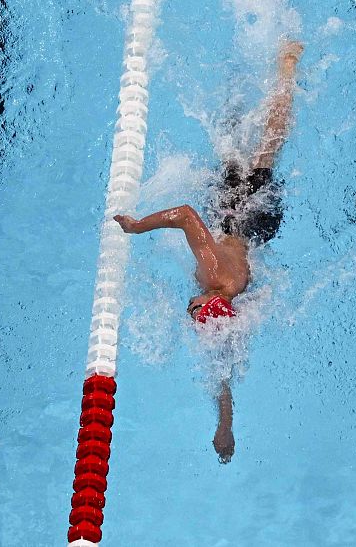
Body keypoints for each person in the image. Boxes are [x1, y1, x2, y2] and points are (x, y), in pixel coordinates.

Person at [114, 39, 303, 461]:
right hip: (244, 212)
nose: (191, 308)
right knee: (262, 149)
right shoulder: (216, 273)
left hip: (257, 232)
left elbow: (223, 376)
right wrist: (136, 227)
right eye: (195, 309)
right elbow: (183, 214)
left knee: (242, 144)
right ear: (209, 301)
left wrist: (224, 425)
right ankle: (287, 66)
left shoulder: (232, 304)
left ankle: (249, 84)